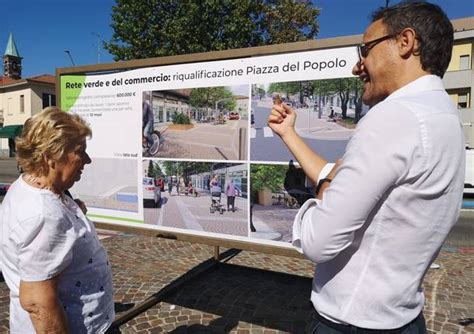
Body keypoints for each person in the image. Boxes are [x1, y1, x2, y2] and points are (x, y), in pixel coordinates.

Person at [268, 2, 464, 332]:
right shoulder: (442, 116)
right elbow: (347, 181)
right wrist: (289, 133)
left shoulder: (393, 117)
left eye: (366, 49)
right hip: (402, 319)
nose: (358, 66)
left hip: (350, 324)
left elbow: (318, 241)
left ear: (406, 42)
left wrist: (324, 189)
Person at [0, 107, 115, 333]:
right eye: (80, 152)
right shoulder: (44, 215)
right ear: (51, 157)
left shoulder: (30, 185)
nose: (87, 160)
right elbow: (38, 303)